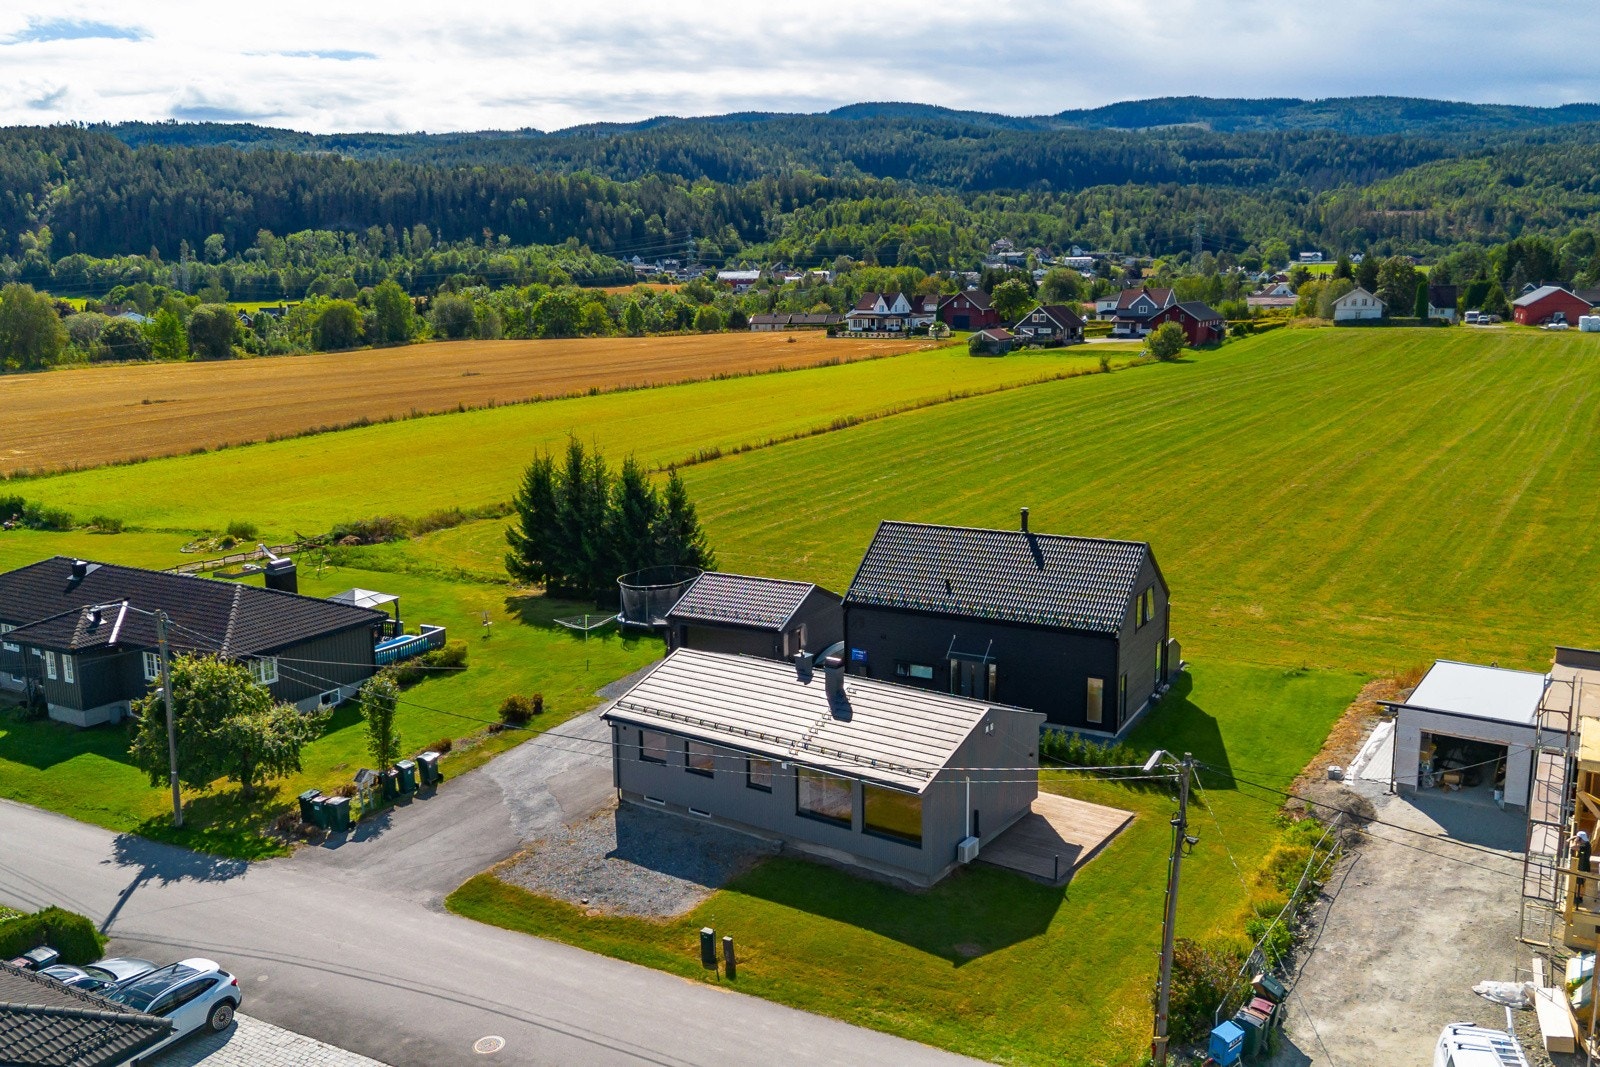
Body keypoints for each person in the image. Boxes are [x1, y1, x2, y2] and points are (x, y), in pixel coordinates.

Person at [1577, 830, 1592, 903]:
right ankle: (1578, 896)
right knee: (1579, 883)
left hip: (1584, 867)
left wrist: (1572, 839)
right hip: (1582, 866)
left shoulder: (1584, 845)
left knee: (1581, 883)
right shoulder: (1586, 844)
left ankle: (1580, 898)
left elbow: (1572, 847)